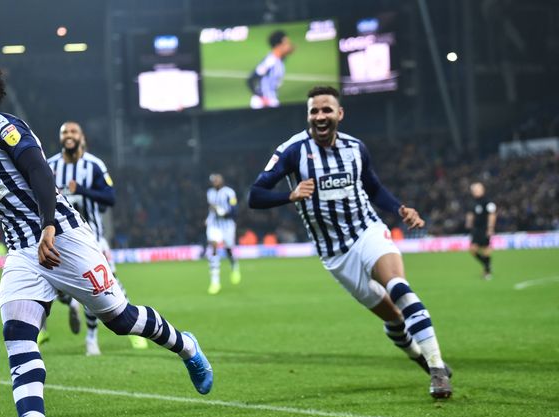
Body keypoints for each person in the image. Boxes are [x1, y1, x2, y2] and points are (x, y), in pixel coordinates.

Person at [0, 52, 212, 417]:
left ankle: (187, 346)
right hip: (23, 252)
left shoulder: (4, 127)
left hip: (64, 238)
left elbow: (38, 170)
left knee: (121, 319)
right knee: (18, 336)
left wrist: (48, 225)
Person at [248, 86, 452, 399]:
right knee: (393, 320)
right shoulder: (293, 151)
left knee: (398, 286)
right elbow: (255, 195)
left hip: (367, 231)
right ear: (308, 116)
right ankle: (422, 360)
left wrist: (400, 209)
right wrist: (289, 195)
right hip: (335, 255)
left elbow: (373, 187)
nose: (320, 116)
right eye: (314, 111)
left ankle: (437, 367)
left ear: (339, 114)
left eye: (326, 110)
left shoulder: (356, 148)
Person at [46, 121, 147, 354]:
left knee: (106, 286)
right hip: (59, 238)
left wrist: (82, 190)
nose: (68, 136)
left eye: (73, 132)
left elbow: (110, 197)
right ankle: (72, 303)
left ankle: (94, 337)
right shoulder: (49, 165)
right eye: (64, 132)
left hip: (93, 238)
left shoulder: (94, 165)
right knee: (57, 288)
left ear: (82, 137)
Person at [205, 173, 241, 294]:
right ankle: (215, 282)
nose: (215, 181)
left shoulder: (229, 192)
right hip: (214, 225)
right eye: (213, 180)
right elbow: (211, 209)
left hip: (227, 225)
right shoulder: (210, 193)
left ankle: (234, 266)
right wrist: (209, 219)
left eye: (217, 179)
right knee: (213, 248)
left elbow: (234, 209)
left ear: (222, 180)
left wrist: (223, 213)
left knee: (228, 249)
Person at [247, 30, 295, 109]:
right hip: (263, 103)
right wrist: (261, 98)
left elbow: (285, 53)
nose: (288, 45)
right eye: (286, 43)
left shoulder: (279, 59)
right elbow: (250, 80)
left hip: (271, 99)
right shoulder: (269, 62)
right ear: (278, 46)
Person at [465, 182, 496, 279]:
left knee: (486, 249)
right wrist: (469, 222)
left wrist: (490, 228)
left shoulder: (488, 201)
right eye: (473, 190)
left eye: (477, 189)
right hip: (476, 229)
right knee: (472, 250)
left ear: (482, 190)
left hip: (485, 228)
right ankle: (487, 265)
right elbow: (470, 213)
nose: (475, 191)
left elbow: (492, 215)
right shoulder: (472, 202)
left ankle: (487, 271)